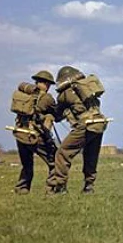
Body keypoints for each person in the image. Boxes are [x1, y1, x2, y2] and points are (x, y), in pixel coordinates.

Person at [46, 65, 108, 195]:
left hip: (85, 124)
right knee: (91, 156)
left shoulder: (65, 93)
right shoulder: (86, 88)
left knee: (62, 153)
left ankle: (60, 186)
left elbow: (58, 114)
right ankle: (89, 186)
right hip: (99, 123)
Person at [11, 70, 57, 194]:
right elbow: (56, 113)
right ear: (46, 84)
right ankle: (52, 189)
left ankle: (22, 188)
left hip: (20, 133)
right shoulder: (47, 98)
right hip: (35, 136)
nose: (49, 87)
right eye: (49, 84)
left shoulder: (24, 96)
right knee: (55, 161)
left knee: (27, 164)